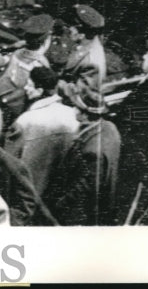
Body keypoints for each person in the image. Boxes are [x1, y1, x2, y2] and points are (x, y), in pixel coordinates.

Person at [48, 88, 121, 226]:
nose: (74, 110)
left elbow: (84, 188)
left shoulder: (93, 150)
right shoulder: (109, 126)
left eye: (76, 107)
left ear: (85, 114)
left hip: (85, 214)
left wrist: (59, 204)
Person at [6, 66, 79, 196]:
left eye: (29, 85)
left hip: (31, 191)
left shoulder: (24, 121)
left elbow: (10, 161)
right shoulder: (72, 114)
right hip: (62, 189)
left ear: (39, 90)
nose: (25, 88)